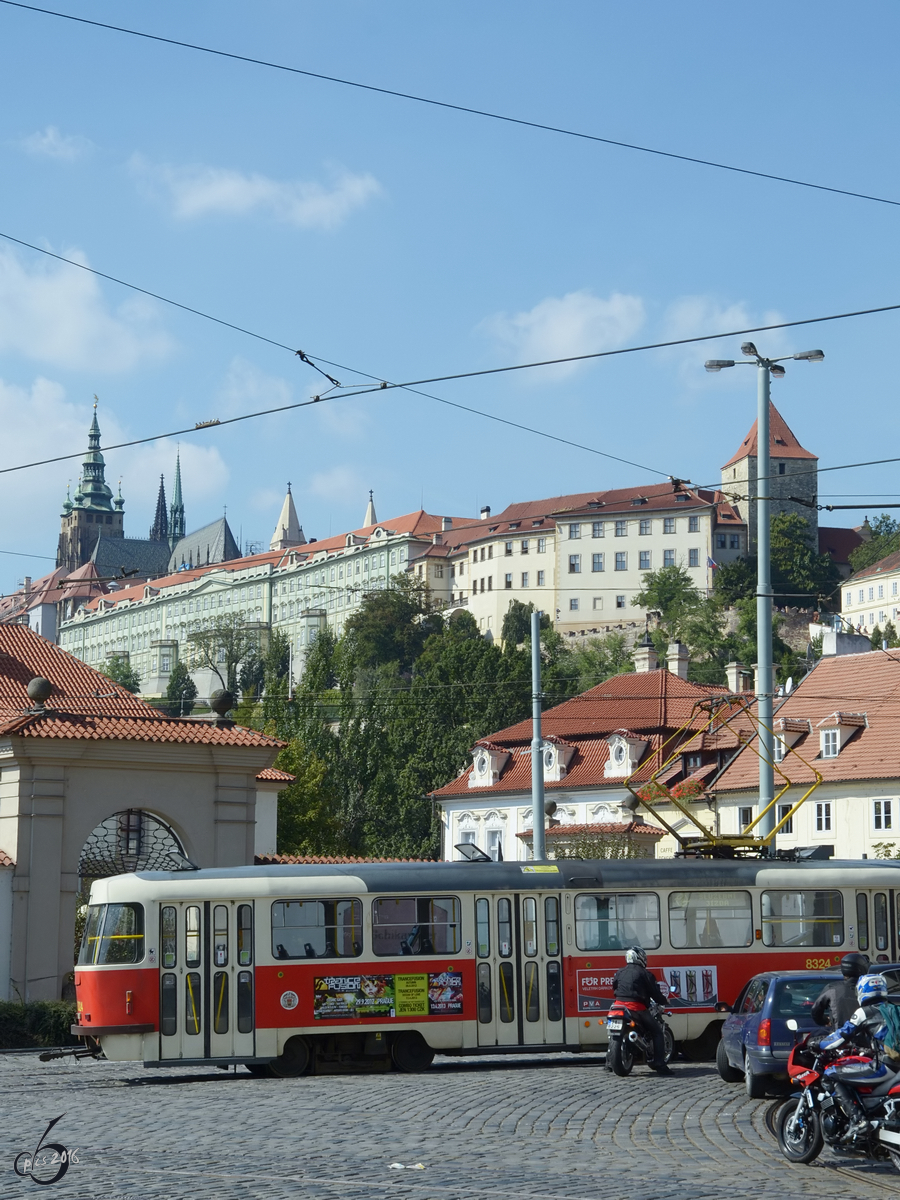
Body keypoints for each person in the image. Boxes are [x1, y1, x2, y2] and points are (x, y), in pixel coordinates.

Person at [612, 947, 671, 1076]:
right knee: (657, 1032)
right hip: (636, 1008)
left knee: (614, 1032)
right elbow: (655, 993)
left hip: (617, 1006)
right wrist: (664, 1000)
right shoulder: (645, 974)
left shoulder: (620, 972)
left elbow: (614, 987)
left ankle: (608, 1063)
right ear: (640, 958)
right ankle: (659, 1064)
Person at [811, 952, 870, 1028]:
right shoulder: (869, 988)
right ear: (861, 969)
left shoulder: (832, 989)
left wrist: (826, 1021)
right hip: (866, 1033)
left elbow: (815, 1011)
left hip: (839, 1033)